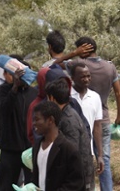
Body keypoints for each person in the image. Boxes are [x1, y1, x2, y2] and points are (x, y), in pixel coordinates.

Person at [55, 36, 119, 191]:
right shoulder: (110, 67)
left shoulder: (78, 65)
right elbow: (118, 91)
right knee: (103, 158)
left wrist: (73, 53)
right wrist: (119, 115)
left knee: (81, 157)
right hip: (102, 118)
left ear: (83, 49)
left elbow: (54, 64)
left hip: (79, 118)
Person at [45, 78, 94, 190]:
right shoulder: (66, 113)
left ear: (52, 98)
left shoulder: (68, 120)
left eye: (48, 98)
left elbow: (71, 152)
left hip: (79, 177)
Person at [0, 67, 36, 190]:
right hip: (10, 148)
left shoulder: (34, 93)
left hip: (30, 149)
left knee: (32, 184)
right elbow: (4, 110)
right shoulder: (5, 90)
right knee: (5, 185)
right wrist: (14, 88)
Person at [32, 101, 85, 190]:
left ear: (50, 120)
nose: (34, 123)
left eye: (37, 119)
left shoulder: (69, 150)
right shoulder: (37, 146)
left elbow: (76, 183)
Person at [70, 63, 105, 187]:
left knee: (88, 186)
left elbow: (97, 127)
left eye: (88, 76)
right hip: (68, 153)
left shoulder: (95, 97)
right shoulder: (66, 96)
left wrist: (100, 155)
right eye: (82, 77)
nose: (86, 79)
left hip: (87, 152)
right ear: (73, 78)